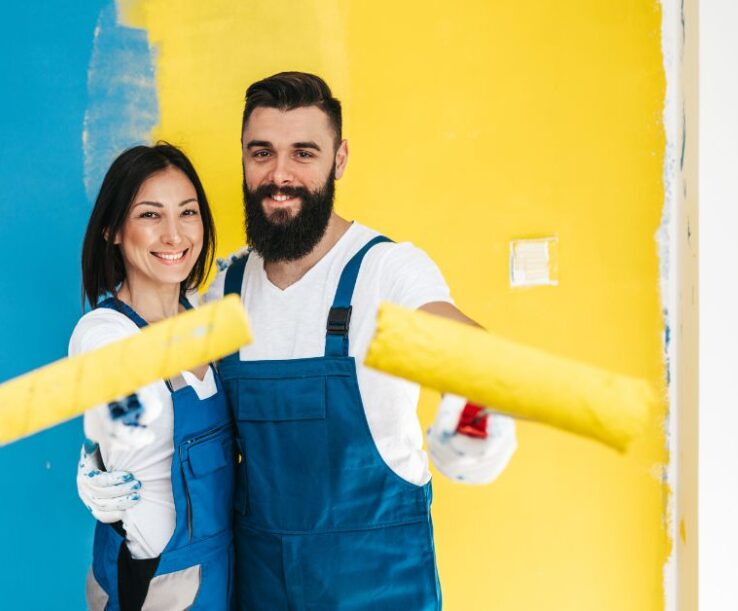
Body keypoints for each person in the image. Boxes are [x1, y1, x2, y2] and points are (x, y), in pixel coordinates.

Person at [79, 73, 518, 609]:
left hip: (377, 585)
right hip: (260, 586)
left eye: (303, 153)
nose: (279, 175)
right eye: (262, 153)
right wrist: (100, 460)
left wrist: (479, 412)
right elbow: (166, 408)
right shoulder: (226, 288)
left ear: (339, 159)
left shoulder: (386, 271)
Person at [73, 143, 234, 610]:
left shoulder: (205, 318)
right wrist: (95, 449)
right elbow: (122, 397)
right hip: (158, 585)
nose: (173, 234)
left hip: (224, 569)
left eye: (187, 213)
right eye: (149, 215)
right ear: (112, 230)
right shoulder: (103, 334)